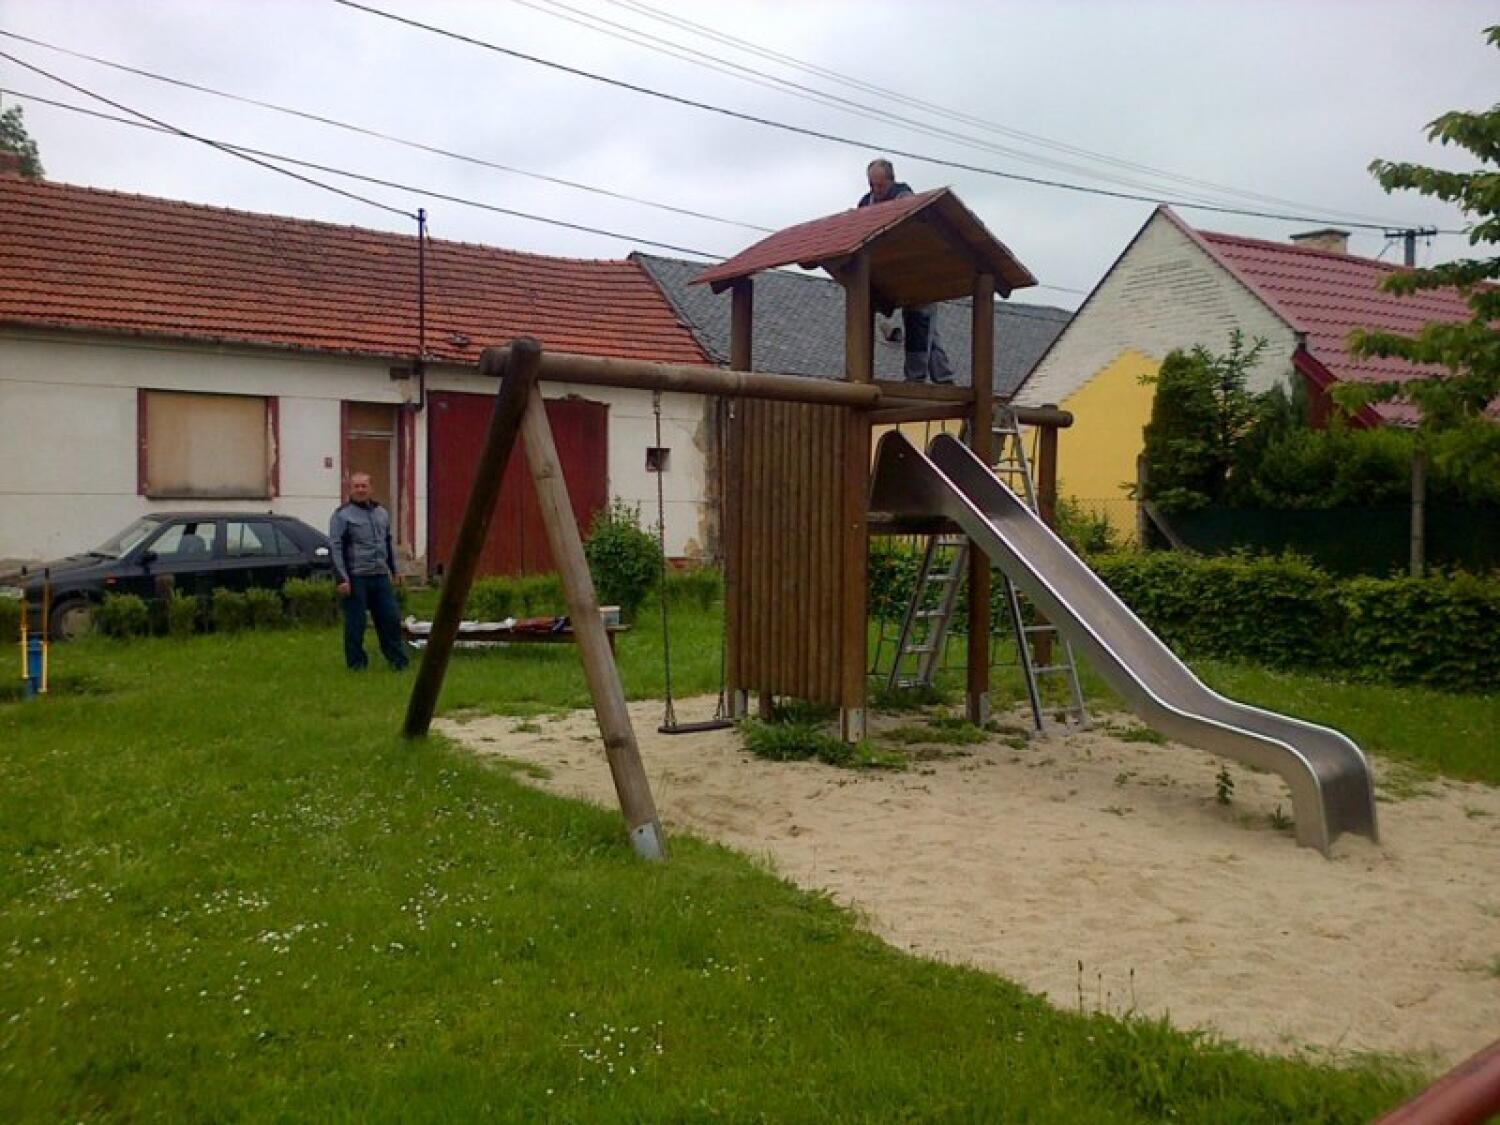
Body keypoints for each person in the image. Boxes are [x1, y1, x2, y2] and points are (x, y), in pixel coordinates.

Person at [857, 158, 956, 385]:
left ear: (891, 181)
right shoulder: (865, 203)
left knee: (919, 321)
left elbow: (910, 224)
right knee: (928, 329)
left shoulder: (904, 197)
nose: (875, 190)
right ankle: (944, 377)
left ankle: (916, 378)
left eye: (880, 185)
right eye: (872, 185)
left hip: (916, 273)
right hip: (888, 273)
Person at [330, 472, 409, 671]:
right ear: (350, 489)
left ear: (371, 488)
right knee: (356, 624)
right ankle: (356, 665)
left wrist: (395, 570)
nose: (360, 490)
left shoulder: (381, 513)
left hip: (380, 576)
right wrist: (341, 578)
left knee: (390, 619)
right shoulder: (342, 515)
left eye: (364, 486)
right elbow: (336, 548)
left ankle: (398, 662)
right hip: (356, 577)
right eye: (356, 486)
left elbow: (387, 543)